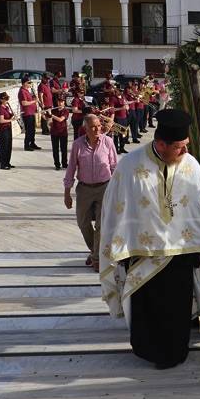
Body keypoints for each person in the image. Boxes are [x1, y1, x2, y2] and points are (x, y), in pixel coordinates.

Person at [100, 108, 200, 369]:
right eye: (179, 147)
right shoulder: (130, 166)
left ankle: (176, 352)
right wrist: (122, 247)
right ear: (161, 144)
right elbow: (114, 209)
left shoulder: (190, 165)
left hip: (180, 254)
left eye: (186, 145)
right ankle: (149, 350)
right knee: (149, 308)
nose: (185, 152)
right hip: (144, 255)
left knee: (176, 307)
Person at [64, 114, 118, 272]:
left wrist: (118, 190)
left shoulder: (108, 142)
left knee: (102, 225)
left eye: (99, 126)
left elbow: (114, 166)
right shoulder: (77, 145)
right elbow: (71, 168)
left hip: (105, 188)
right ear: (85, 129)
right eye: (93, 127)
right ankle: (96, 250)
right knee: (82, 222)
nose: (97, 129)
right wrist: (67, 193)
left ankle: (97, 259)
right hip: (84, 189)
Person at [18, 76, 40, 151]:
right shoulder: (22, 92)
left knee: (33, 130)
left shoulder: (27, 90)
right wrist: (35, 101)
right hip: (27, 114)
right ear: (24, 83)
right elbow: (24, 103)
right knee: (29, 130)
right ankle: (26, 145)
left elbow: (29, 100)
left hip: (31, 113)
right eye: (29, 82)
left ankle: (32, 143)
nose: (30, 84)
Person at [48, 98, 70, 170]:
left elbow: (60, 119)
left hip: (63, 132)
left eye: (62, 102)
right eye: (59, 102)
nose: (60, 103)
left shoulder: (66, 111)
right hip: (54, 132)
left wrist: (52, 115)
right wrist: (45, 114)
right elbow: (47, 118)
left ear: (64, 103)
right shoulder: (54, 110)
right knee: (55, 149)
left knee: (64, 149)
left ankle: (64, 164)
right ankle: (57, 165)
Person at [0, 92, 15, 170]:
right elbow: (1, 121)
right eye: (6, 99)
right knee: (4, 147)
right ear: (1, 100)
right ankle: (3, 164)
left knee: (9, 146)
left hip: (8, 128)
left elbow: (9, 116)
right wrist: (11, 119)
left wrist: (13, 115)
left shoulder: (6, 107)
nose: (7, 100)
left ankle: (7, 162)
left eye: (8, 98)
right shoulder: (0, 109)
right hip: (3, 130)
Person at [109, 88, 129, 154]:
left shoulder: (123, 97)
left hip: (124, 118)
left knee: (123, 134)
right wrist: (121, 108)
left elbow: (127, 105)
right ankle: (116, 149)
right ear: (116, 91)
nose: (121, 92)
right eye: (119, 90)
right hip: (117, 118)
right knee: (116, 135)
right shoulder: (113, 98)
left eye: (122, 91)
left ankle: (122, 148)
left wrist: (127, 107)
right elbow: (111, 109)